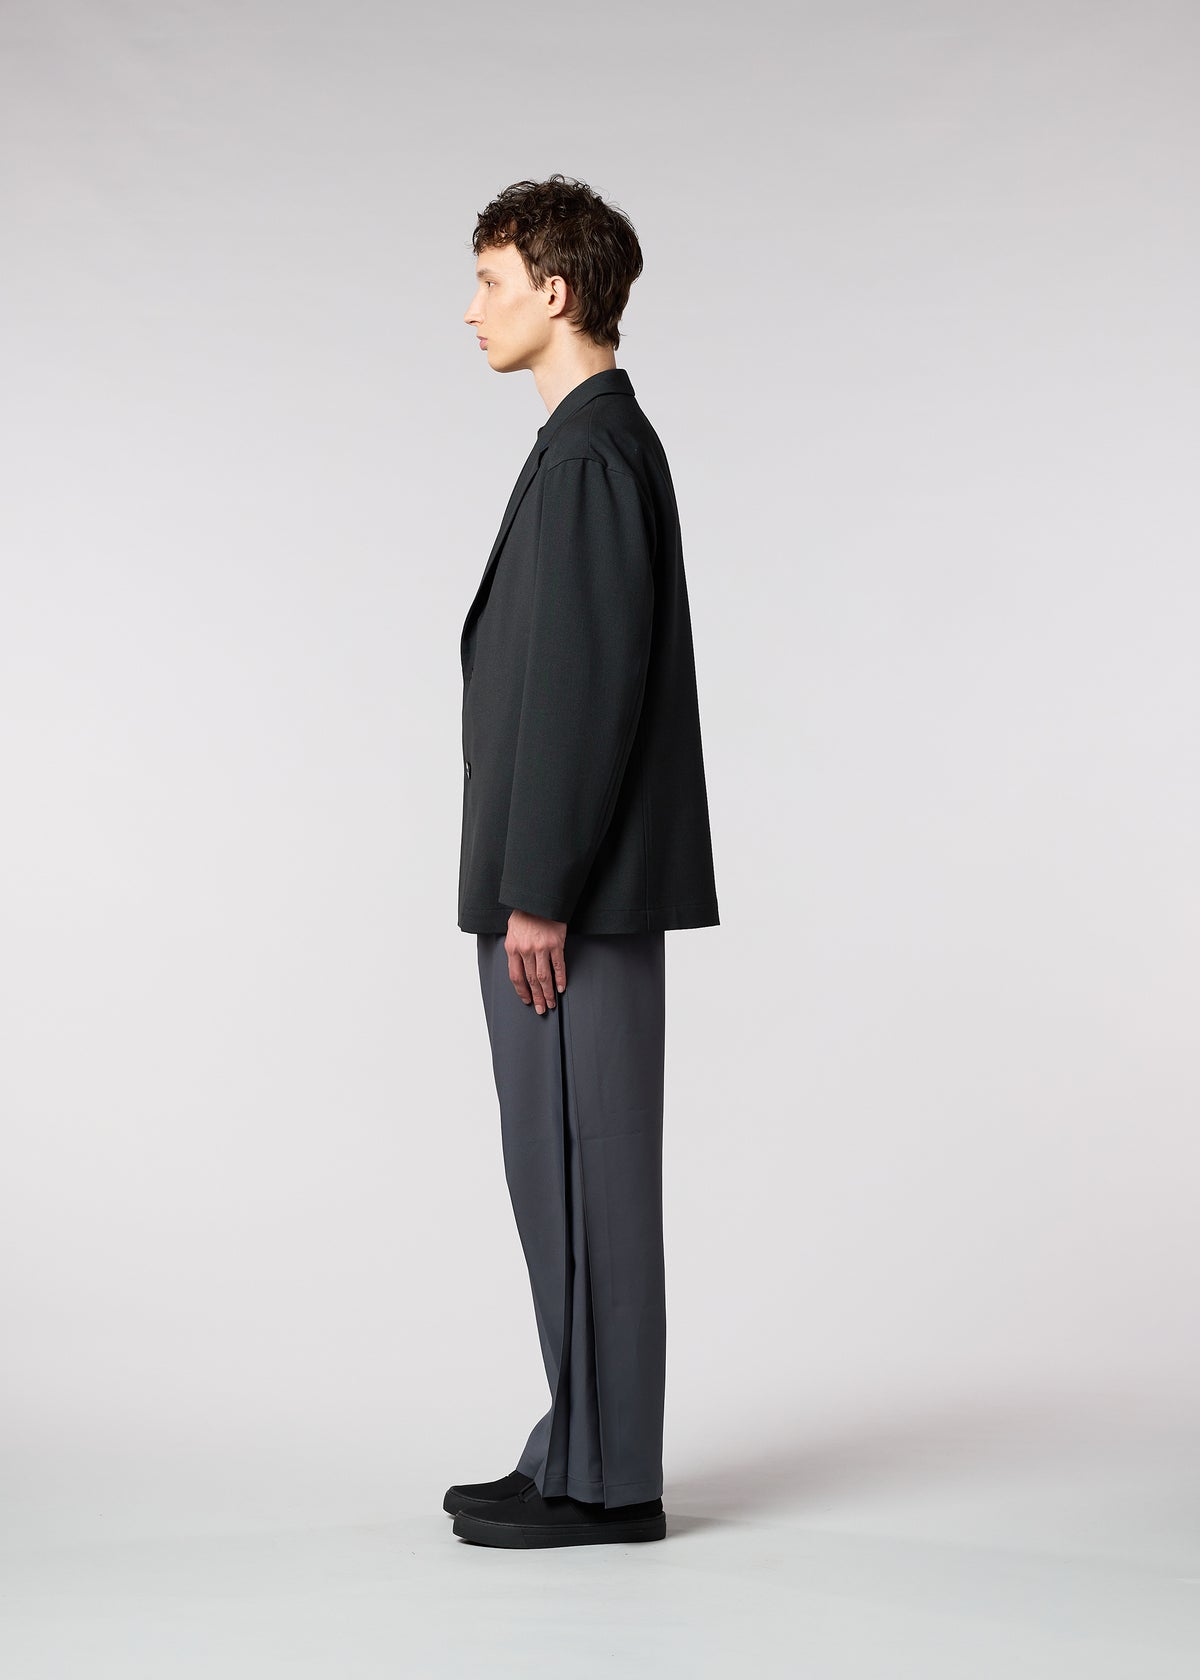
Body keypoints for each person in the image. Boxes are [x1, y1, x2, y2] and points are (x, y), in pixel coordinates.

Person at [447, 175, 719, 1549]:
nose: (474, 310)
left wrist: (538, 891)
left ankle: (609, 1483)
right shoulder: (585, 444)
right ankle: (579, 1449)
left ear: (555, 293)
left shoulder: (595, 453)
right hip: (560, 890)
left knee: (590, 1174)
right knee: (559, 1174)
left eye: (491, 282)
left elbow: (587, 686)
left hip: (572, 901)